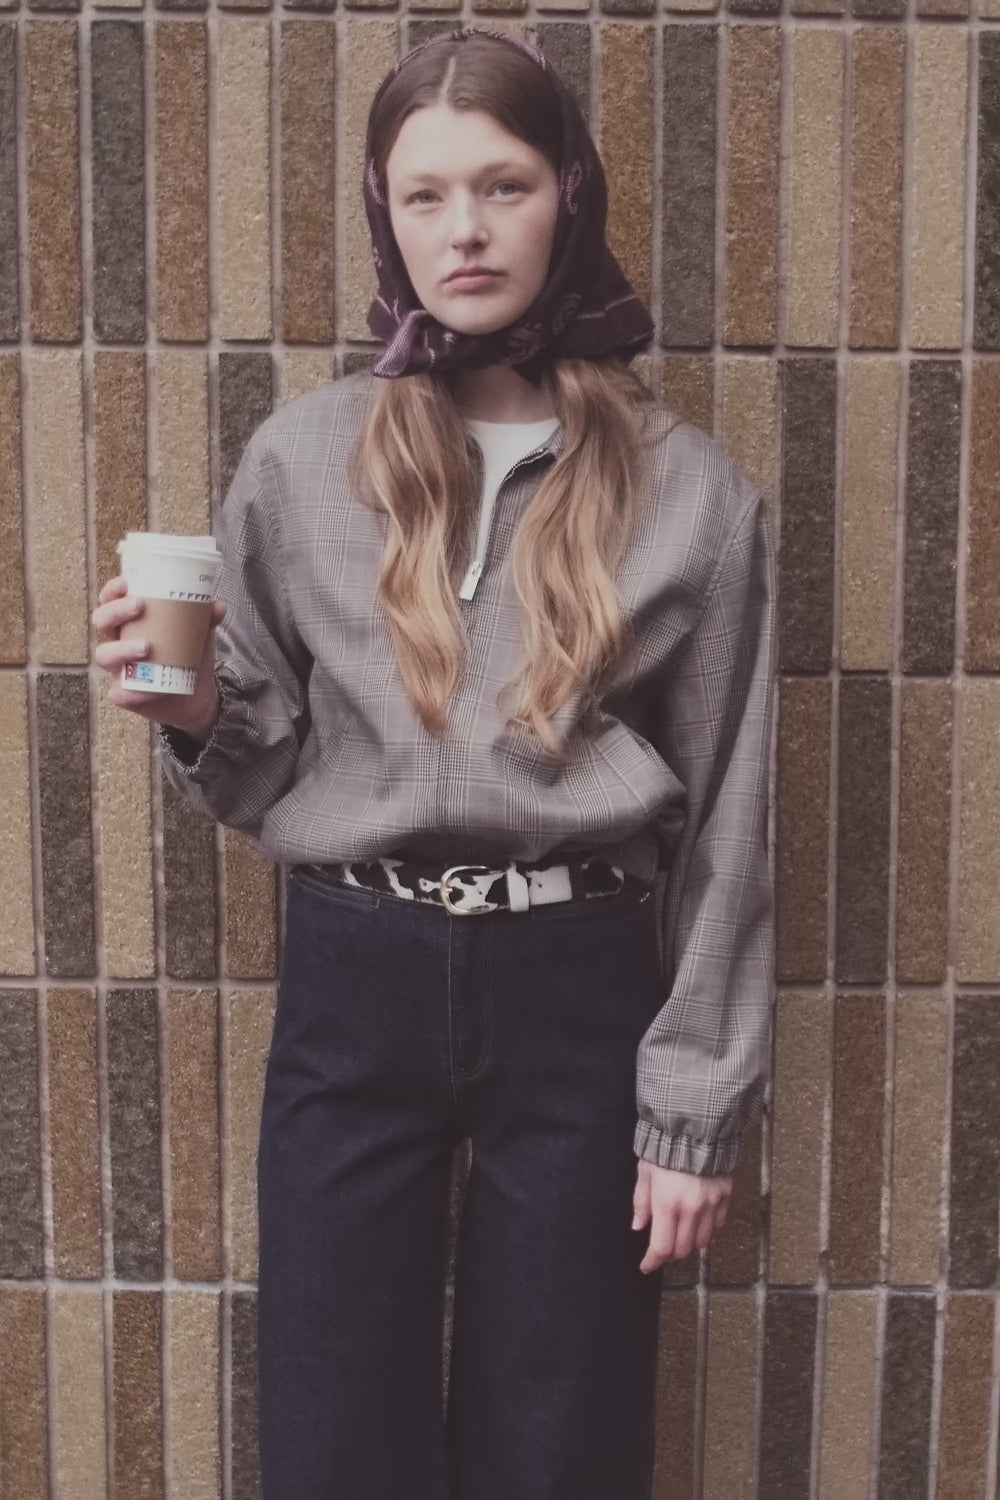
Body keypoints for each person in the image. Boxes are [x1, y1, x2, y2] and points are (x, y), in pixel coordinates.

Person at [92, 27, 776, 1500]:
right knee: (332, 1430)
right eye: (426, 195)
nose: (465, 229)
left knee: (563, 1440)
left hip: (580, 985)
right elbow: (263, 769)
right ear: (383, 214)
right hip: (356, 976)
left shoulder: (694, 494)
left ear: (568, 196)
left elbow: (731, 818)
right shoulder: (302, 460)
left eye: (503, 185)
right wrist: (193, 707)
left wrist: (695, 1110)